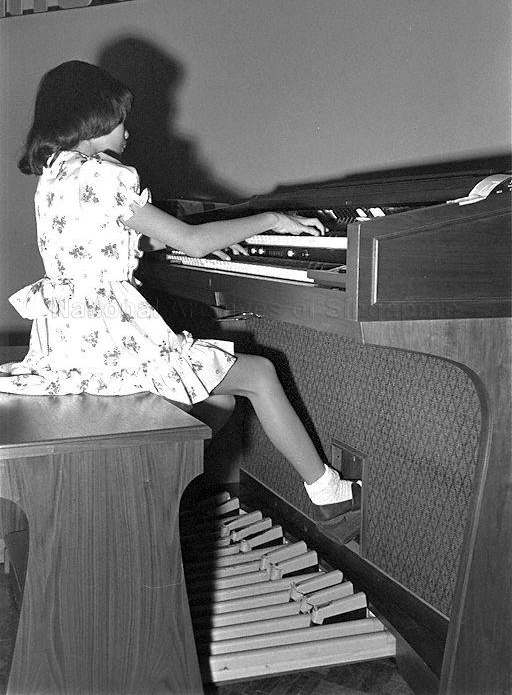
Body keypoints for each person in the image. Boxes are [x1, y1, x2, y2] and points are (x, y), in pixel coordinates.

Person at [0, 60, 360, 533]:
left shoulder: (57, 174)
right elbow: (189, 242)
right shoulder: (106, 176)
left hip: (70, 340)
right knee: (260, 375)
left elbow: (110, 238)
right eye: (122, 120)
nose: (128, 132)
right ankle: (327, 493)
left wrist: (209, 235)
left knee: (222, 403)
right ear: (96, 117)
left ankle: (157, 492)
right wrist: (272, 220)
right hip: (112, 340)